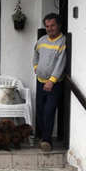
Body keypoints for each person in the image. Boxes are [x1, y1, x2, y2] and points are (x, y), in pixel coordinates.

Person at [33, 13, 66, 152]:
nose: (49, 28)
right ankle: (42, 137)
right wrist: (36, 67)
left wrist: (52, 81)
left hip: (54, 84)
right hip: (40, 81)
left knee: (49, 111)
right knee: (40, 111)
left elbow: (61, 63)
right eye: (47, 26)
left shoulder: (62, 42)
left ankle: (46, 141)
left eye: (52, 25)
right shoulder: (42, 40)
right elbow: (35, 53)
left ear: (59, 25)